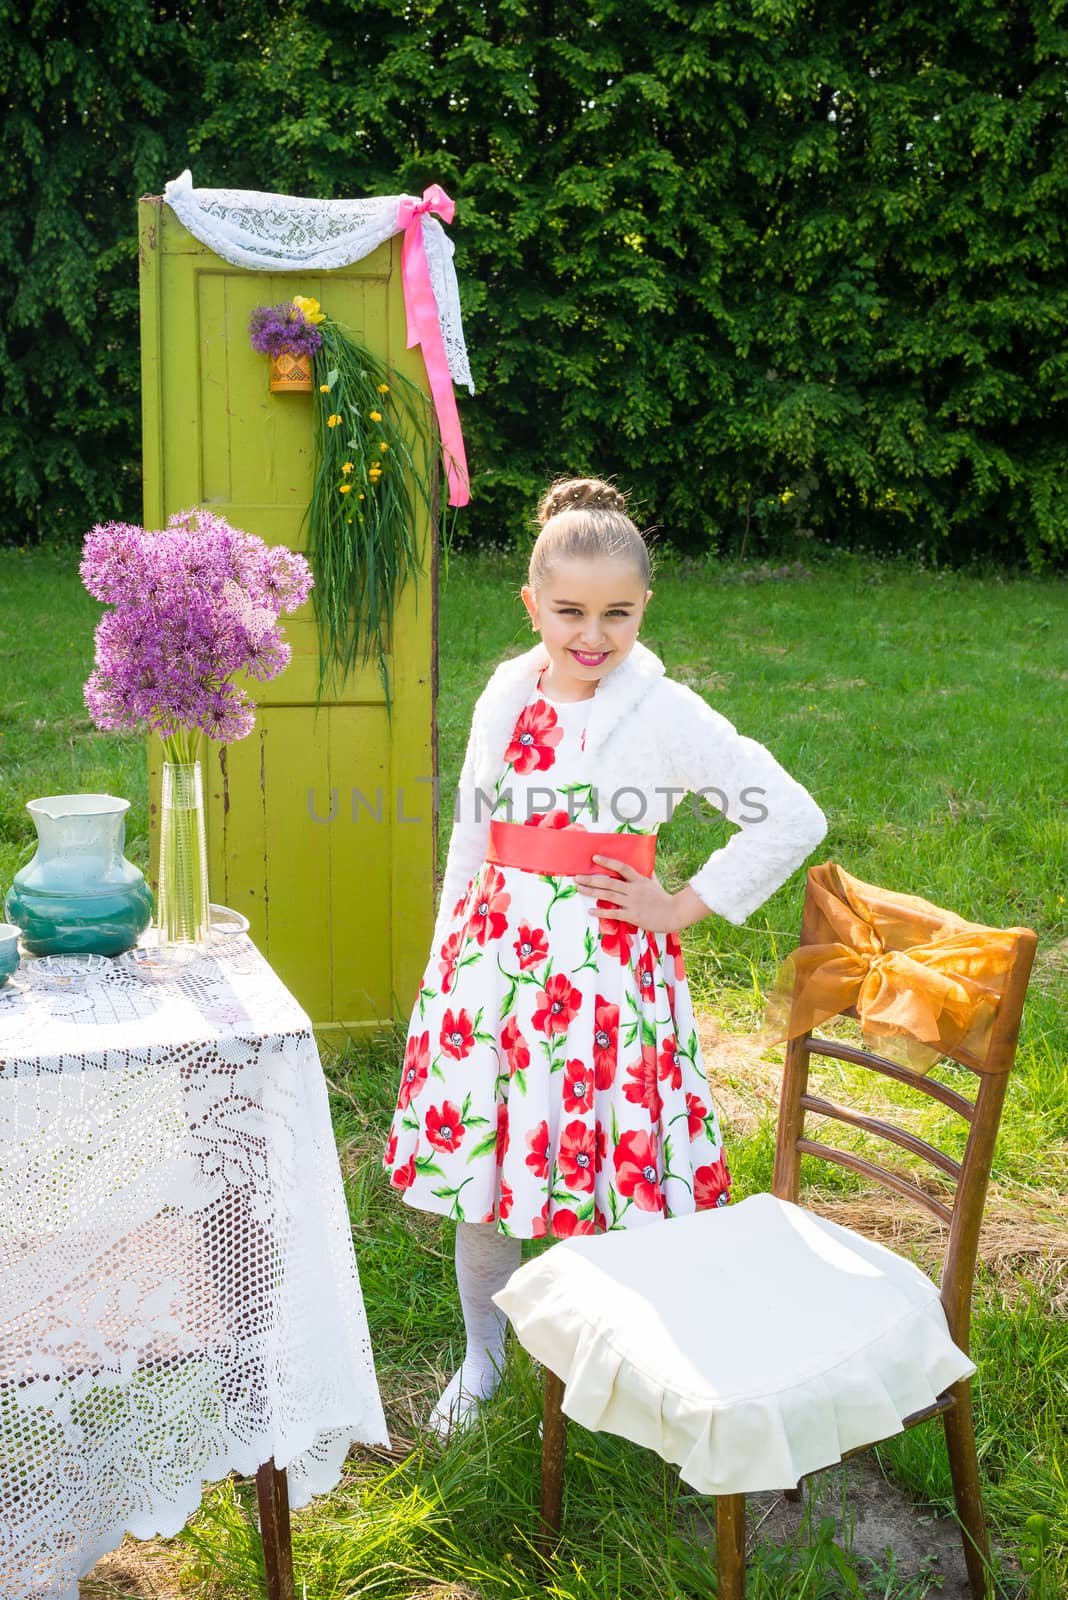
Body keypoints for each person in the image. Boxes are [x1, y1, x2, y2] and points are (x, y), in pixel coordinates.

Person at [383, 477, 827, 1436]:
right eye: (570, 612)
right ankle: (484, 1352)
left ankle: (618, 1351)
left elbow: (789, 813)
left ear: (644, 609)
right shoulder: (508, 693)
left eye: (616, 614)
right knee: (491, 1173)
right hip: (494, 973)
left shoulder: (662, 712)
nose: (593, 635)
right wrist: (444, 956)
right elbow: (474, 830)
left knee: (606, 1164)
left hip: (606, 982)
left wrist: (682, 903)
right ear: (532, 604)